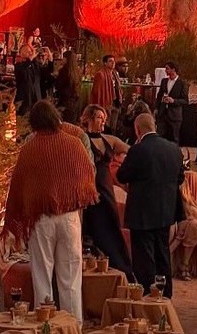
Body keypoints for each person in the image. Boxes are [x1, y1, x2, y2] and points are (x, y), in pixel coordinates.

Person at [5, 101, 98, 316]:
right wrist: (72, 196)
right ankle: (72, 325)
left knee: (42, 277)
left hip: (41, 219)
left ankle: (45, 324)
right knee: (71, 278)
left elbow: (18, 185)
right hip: (69, 217)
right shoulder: (74, 143)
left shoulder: (29, 148)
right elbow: (88, 175)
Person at [117, 113, 185, 298]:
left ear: (137, 130)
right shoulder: (173, 148)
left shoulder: (138, 150)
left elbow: (122, 176)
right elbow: (180, 178)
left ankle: (148, 294)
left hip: (142, 213)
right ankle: (166, 294)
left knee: (144, 258)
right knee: (162, 254)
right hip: (166, 211)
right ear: (155, 126)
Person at [79, 104, 133, 280]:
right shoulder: (80, 139)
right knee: (92, 230)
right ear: (88, 119)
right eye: (99, 118)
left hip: (107, 191)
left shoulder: (109, 140)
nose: (103, 122)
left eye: (104, 118)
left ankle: (122, 270)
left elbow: (132, 151)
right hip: (90, 191)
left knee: (112, 229)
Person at [156, 61, 189, 143]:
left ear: (173, 69)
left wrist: (173, 101)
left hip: (174, 116)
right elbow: (159, 96)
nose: (165, 71)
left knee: (174, 138)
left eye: (167, 69)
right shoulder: (164, 81)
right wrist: (157, 108)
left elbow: (185, 100)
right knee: (160, 137)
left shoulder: (182, 83)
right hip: (163, 114)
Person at [13, 45, 42, 116]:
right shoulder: (18, 65)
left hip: (36, 100)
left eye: (31, 51)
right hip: (24, 100)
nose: (31, 53)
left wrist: (50, 59)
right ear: (21, 54)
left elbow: (44, 73)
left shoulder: (35, 65)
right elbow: (23, 70)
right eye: (28, 52)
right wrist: (31, 58)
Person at [55, 50, 82, 122]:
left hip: (64, 100)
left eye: (63, 58)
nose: (62, 59)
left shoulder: (63, 71)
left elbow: (58, 86)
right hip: (74, 101)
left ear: (66, 59)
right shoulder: (77, 71)